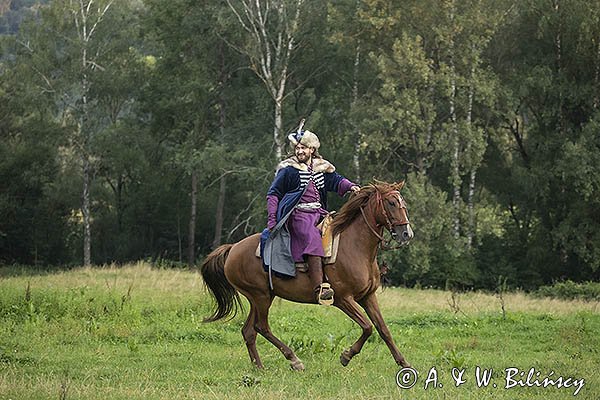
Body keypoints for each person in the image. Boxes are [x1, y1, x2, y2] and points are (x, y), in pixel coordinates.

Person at [265, 128, 359, 304]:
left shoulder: (321, 167)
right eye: (297, 148)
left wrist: (351, 186)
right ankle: (320, 287)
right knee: (311, 235)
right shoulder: (288, 170)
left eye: (304, 148)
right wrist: (272, 219)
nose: (300, 151)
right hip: (298, 215)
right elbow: (273, 194)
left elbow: (337, 180)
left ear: (312, 150)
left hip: (320, 213)